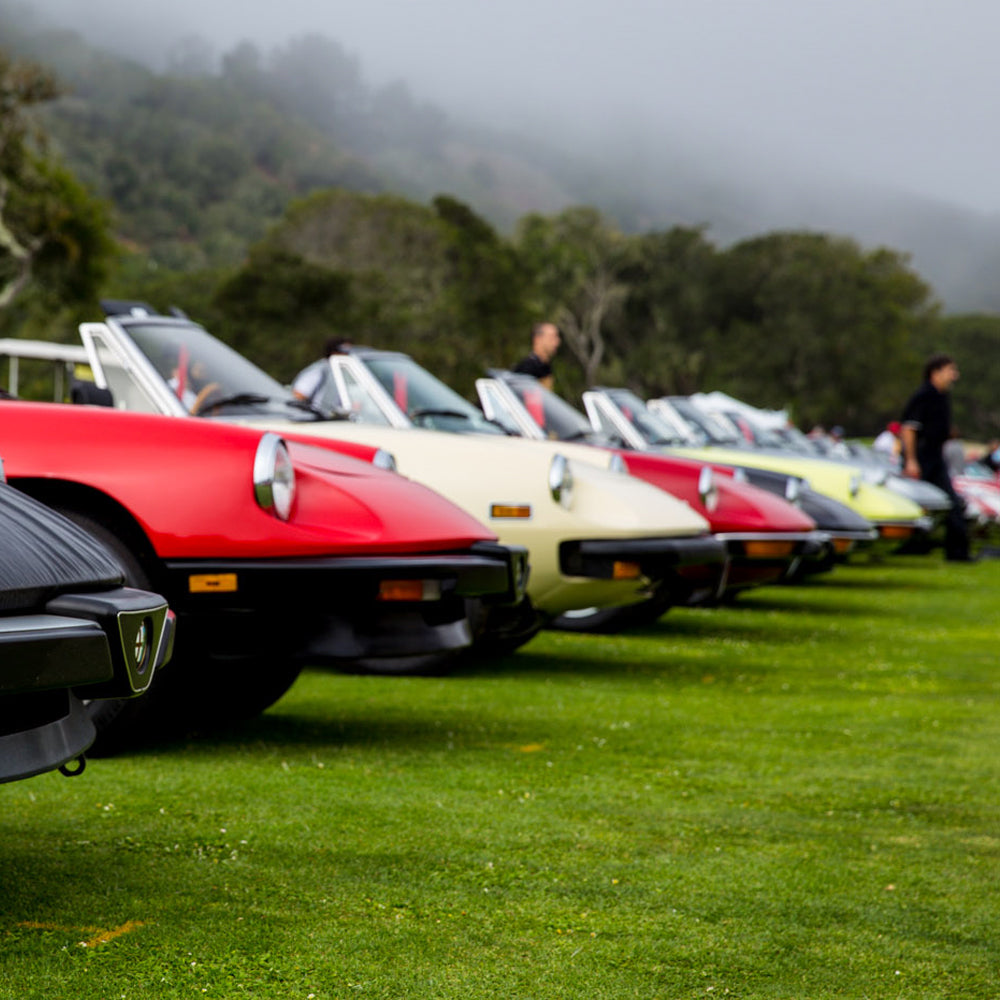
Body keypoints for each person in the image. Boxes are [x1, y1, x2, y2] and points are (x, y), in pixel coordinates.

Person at [900, 353, 972, 562]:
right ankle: (949, 550)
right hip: (922, 457)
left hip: (934, 456)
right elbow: (909, 429)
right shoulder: (924, 395)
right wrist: (912, 460)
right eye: (951, 370)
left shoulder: (941, 397)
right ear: (936, 372)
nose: (955, 376)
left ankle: (951, 550)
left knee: (946, 504)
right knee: (925, 503)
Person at [292, 336, 352, 407]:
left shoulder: (345, 371)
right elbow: (299, 394)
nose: (347, 355)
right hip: (319, 415)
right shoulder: (320, 370)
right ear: (333, 352)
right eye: (344, 351)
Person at [512, 322, 560, 389]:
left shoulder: (545, 367)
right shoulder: (526, 369)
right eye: (551, 337)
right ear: (537, 339)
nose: (557, 342)